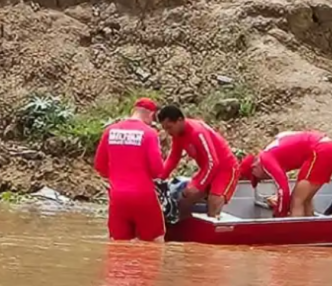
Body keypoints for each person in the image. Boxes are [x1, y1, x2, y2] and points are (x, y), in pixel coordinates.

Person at [93, 97, 165, 242]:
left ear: (133, 110)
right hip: (143, 196)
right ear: (151, 114)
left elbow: (99, 166)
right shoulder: (149, 133)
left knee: (118, 244)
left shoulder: (110, 131)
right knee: (155, 242)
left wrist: (116, 176)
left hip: (118, 197)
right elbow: (157, 170)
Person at [157, 105, 240, 219]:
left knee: (214, 200)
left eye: (170, 127)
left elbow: (213, 162)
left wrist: (198, 185)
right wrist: (159, 178)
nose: (168, 132)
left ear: (180, 120)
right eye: (165, 128)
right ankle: (181, 229)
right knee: (185, 199)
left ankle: (212, 228)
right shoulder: (178, 134)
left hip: (225, 169)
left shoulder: (197, 132)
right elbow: (173, 158)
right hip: (208, 168)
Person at [239, 131, 332, 218]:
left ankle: (297, 237)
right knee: (305, 200)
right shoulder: (272, 150)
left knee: (296, 201)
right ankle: (310, 234)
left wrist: (279, 215)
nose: (262, 179)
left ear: (254, 168)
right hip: (328, 147)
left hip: (320, 150)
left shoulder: (266, 160)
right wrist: (281, 202)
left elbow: (283, 190)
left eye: (257, 178)